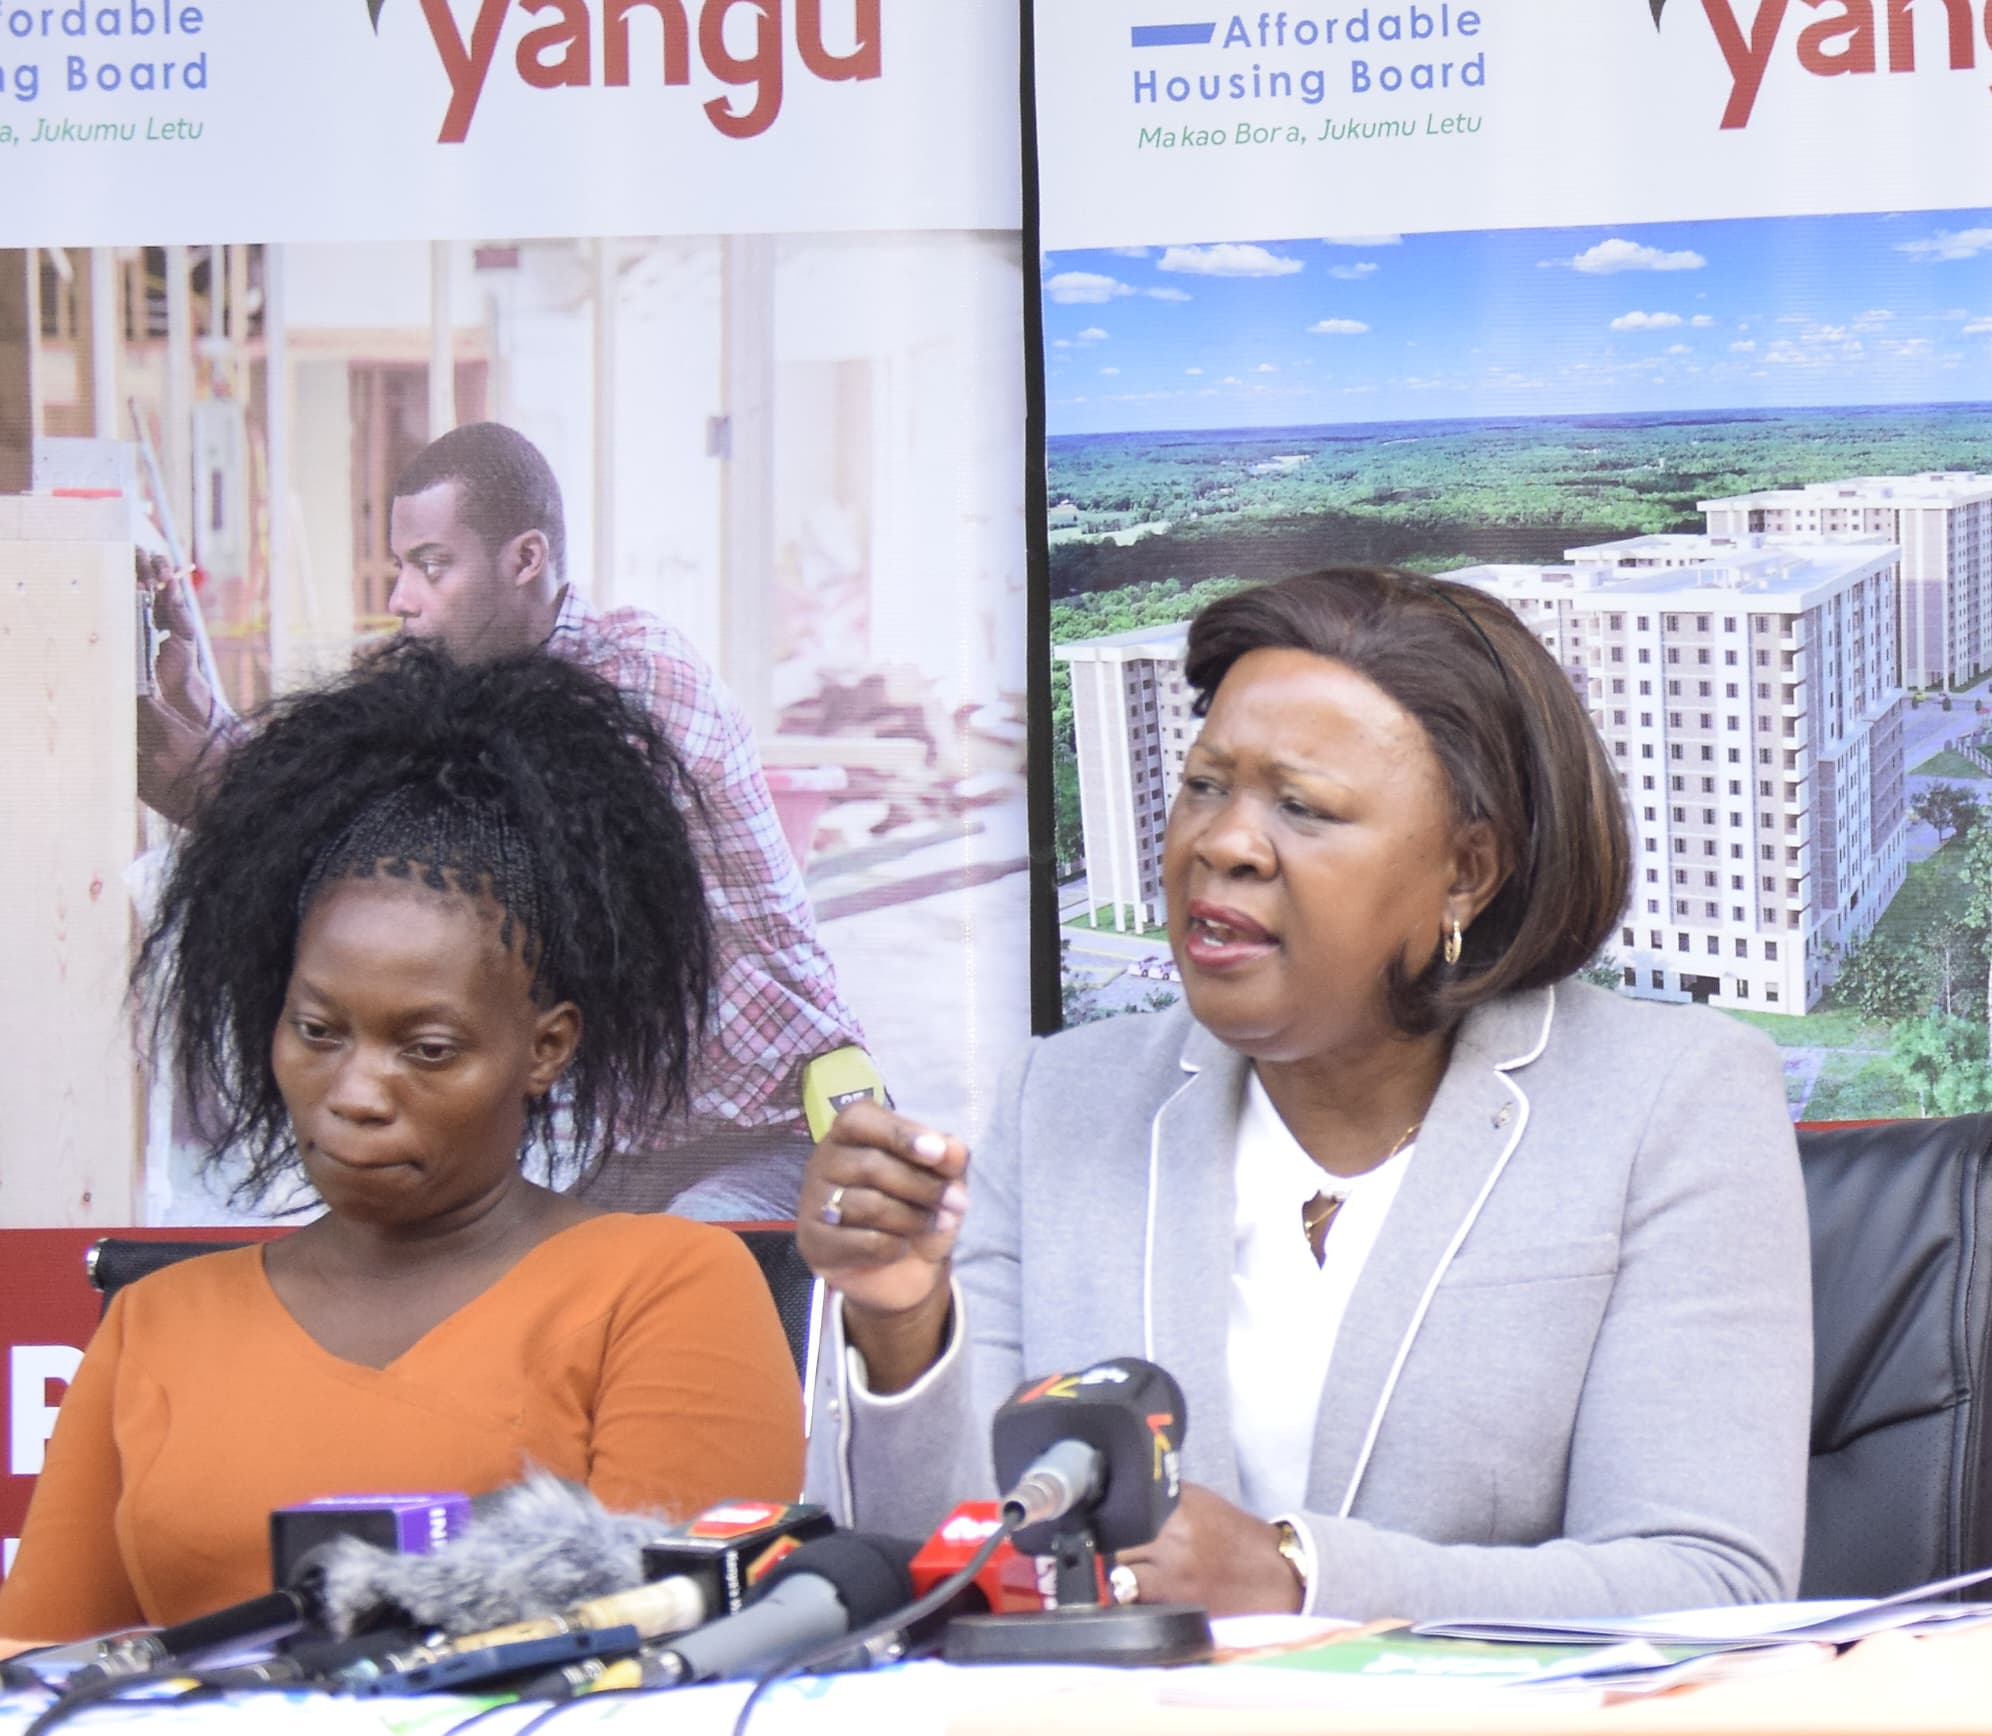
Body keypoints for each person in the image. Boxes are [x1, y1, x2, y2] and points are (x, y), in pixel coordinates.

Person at [798, 566, 1810, 1623]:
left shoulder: (1673, 1100)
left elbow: (1706, 1583)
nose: (1222, 842)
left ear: (1467, 871)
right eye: (1203, 785)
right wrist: (899, 1321)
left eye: (1300, 806)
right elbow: (928, 1571)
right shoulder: (1062, 1099)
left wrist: (1297, 1578)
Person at [0, 647, 804, 1636]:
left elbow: (669, 1677)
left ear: (544, 1046)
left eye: (426, 1048)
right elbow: (34, 1681)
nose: (356, 1094)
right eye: (317, 1031)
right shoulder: (152, 1326)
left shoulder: (666, 1286)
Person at [138, 420, 864, 1221]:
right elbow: (375, 799)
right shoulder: (485, 695)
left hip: (783, 1126)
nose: (400, 599)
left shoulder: (639, 673)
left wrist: (227, 789)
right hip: (655, 1136)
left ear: (524, 560)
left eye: (431, 566)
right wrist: (217, 740)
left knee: (664, 1275)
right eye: (400, 568)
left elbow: (470, 850)